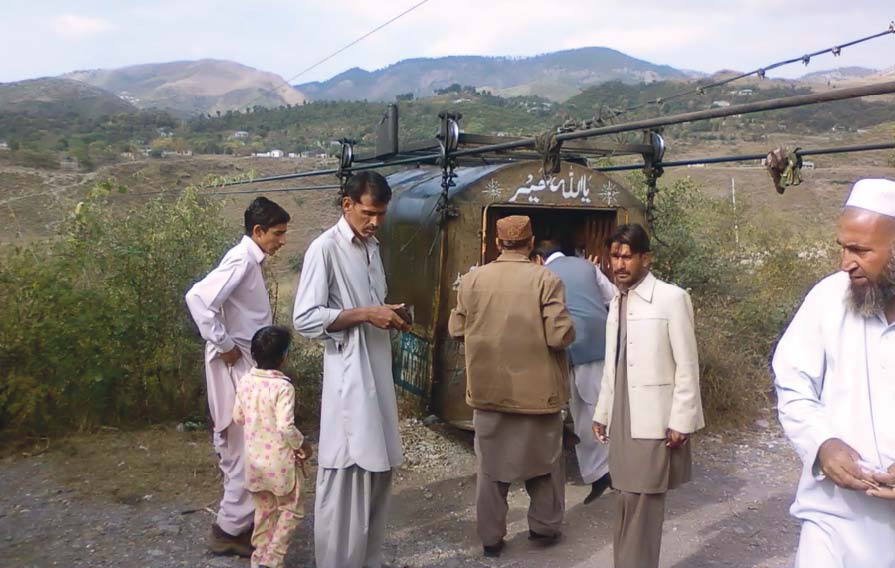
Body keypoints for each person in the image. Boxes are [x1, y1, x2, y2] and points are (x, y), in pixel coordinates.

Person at [772, 178, 895, 568]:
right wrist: (823, 443)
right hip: (833, 517)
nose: (846, 263)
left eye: (860, 250)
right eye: (843, 247)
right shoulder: (828, 297)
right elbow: (792, 383)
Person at [292, 171, 410, 568]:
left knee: (377, 473)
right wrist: (364, 314)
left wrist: (388, 313)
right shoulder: (324, 249)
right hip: (349, 378)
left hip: (377, 371)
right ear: (347, 205)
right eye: (368, 212)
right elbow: (305, 318)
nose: (375, 221)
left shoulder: (372, 247)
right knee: (347, 473)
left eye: (381, 214)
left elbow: (370, 303)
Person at [449, 215, 575, 558]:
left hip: (489, 392)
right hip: (539, 395)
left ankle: (491, 539)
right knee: (546, 465)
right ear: (530, 241)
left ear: (496, 242)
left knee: (491, 470)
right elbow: (559, 335)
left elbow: (456, 329)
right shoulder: (546, 279)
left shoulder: (473, 280)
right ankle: (544, 528)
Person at [592, 223, 704, 568]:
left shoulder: (671, 298)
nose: (619, 265)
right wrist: (603, 411)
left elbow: (687, 365)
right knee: (626, 495)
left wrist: (681, 420)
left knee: (644, 498)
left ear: (645, 259)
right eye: (614, 257)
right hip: (624, 414)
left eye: (627, 257)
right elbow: (613, 365)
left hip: (654, 416)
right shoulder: (616, 300)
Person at [185, 197, 290, 557]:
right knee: (241, 444)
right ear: (258, 231)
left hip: (243, 362)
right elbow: (198, 298)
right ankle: (229, 528)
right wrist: (224, 343)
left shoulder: (250, 261)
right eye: (277, 233)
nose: (282, 240)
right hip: (234, 363)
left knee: (245, 443)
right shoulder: (241, 258)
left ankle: (237, 525)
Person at [536, 237, 616, 504]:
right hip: (602, 343)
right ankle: (608, 471)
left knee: (583, 412)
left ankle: (602, 473)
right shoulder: (586, 266)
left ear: (539, 258)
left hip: (571, 347)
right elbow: (612, 297)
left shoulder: (542, 274)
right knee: (601, 407)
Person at [232, 325, 312, 568]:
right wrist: (303, 445)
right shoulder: (283, 387)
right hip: (280, 465)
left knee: (264, 513)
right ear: (284, 356)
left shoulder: (245, 381)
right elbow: (286, 427)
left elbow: (237, 417)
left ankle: (259, 558)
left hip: (255, 464)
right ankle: (273, 559)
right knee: (291, 509)